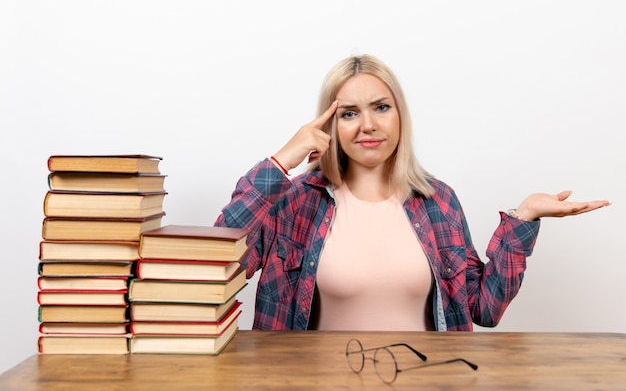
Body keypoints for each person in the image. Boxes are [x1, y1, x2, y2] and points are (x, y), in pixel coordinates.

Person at [214, 54, 610, 331]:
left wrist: (523, 219)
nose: (367, 125)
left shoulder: (438, 201)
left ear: (399, 115)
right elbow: (217, 269)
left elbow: (483, 309)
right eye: (349, 113)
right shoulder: (294, 200)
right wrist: (282, 160)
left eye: (381, 107)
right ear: (330, 124)